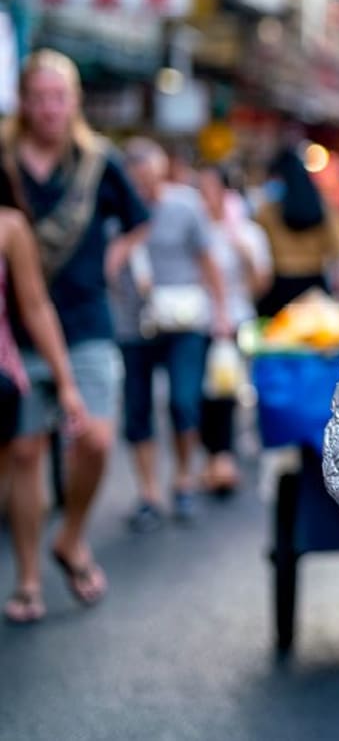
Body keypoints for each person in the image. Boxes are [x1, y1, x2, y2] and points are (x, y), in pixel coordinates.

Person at [1, 50, 148, 616]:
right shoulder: (6, 160)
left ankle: (72, 534)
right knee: (25, 451)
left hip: (86, 321)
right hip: (18, 329)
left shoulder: (96, 162)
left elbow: (139, 220)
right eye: (37, 97)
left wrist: (112, 257)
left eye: (58, 97)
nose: (48, 108)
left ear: (74, 102)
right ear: (23, 102)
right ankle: (28, 580)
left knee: (95, 438)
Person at [113, 139, 231, 528]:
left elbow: (207, 259)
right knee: (138, 410)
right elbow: (107, 269)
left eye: (149, 178)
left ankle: (183, 478)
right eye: (137, 181)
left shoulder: (184, 205)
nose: (144, 188)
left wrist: (221, 313)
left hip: (184, 320)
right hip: (133, 323)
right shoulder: (115, 213)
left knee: (184, 401)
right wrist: (133, 235)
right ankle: (148, 492)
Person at [0, 157, 90, 624]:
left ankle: (28, 580)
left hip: (5, 374)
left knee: (25, 460)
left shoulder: (10, 226)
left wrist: (67, 384)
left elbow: (36, 306)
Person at [195, 165, 271, 496]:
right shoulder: (194, 231)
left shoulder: (249, 233)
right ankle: (214, 458)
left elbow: (260, 285)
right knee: (196, 395)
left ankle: (222, 459)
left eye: (210, 188)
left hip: (237, 321)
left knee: (226, 392)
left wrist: (242, 251)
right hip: (196, 321)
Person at [254, 145, 339, 318]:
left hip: (279, 287)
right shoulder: (321, 206)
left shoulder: (268, 210)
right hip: (314, 286)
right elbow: (337, 247)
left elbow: (259, 248)